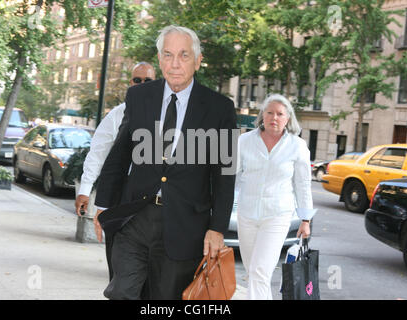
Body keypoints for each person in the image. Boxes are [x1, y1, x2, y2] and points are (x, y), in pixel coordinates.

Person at [93, 25, 237, 300]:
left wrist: (217, 228)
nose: (175, 64)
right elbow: (120, 155)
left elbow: (224, 175)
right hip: (134, 218)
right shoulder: (138, 97)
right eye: (168, 55)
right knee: (122, 291)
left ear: (197, 60)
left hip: (184, 225)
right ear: (159, 59)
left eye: (183, 55)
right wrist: (104, 204)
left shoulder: (219, 108)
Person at [74, 62, 156, 281]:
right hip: (120, 197)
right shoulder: (117, 115)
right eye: (137, 80)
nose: (141, 84)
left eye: (147, 81)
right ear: (130, 83)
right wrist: (85, 189)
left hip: (151, 202)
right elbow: (97, 153)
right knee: (118, 263)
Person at [235, 93, 317, 300]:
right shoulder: (244, 141)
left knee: (259, 271)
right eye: (269, 112)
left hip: (277, 216)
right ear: (262, 115)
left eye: (280, 114)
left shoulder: (297, 146)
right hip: (246, 214)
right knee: (253, 271)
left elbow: (303, 183)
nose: (274, 118)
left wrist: (305, 219)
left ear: (288, 119)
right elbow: (230, 176)